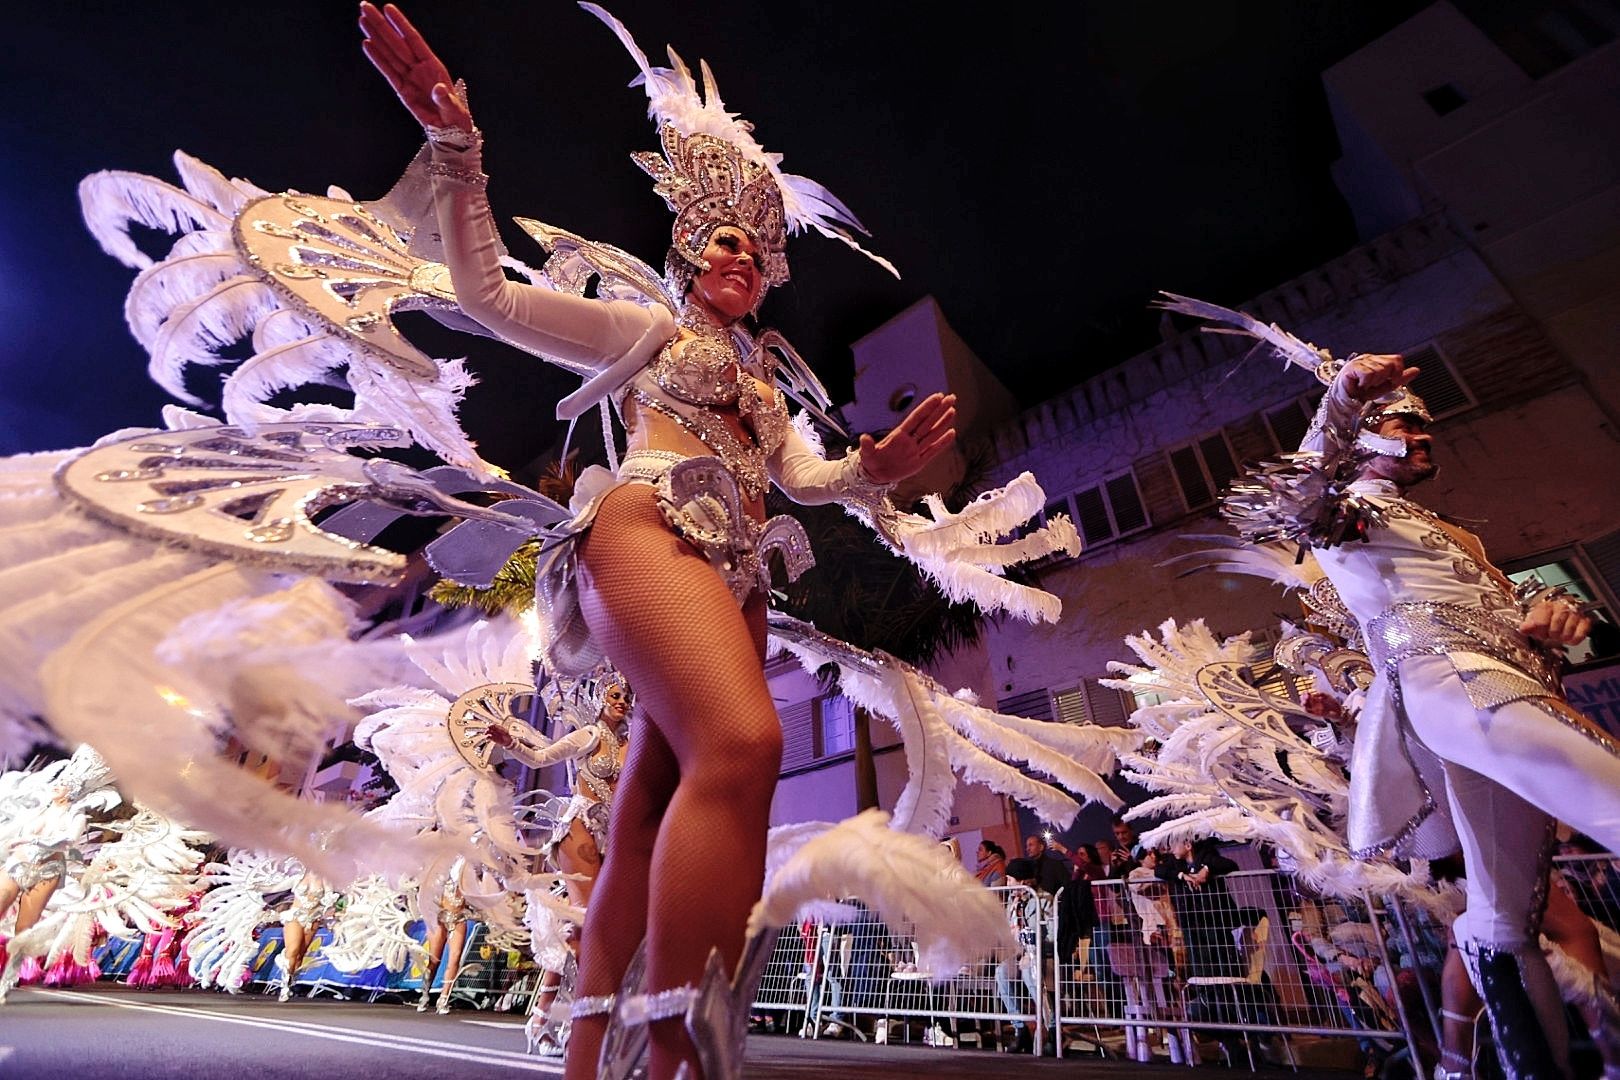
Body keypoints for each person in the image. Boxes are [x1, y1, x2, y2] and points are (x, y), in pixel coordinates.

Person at [355, 7, 1073, 1078]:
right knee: (746, 746)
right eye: (723, 240)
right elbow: (488, 295)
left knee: (653, 793)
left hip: (736, 575)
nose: (741, 256)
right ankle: (682, 1039)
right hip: (647, 531)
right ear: (690, 251)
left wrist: (875, 469)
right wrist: (461, 153)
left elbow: (805, 479)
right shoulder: (651, 330)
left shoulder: (763, 380)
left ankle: (591, 1040)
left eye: (758, 247)